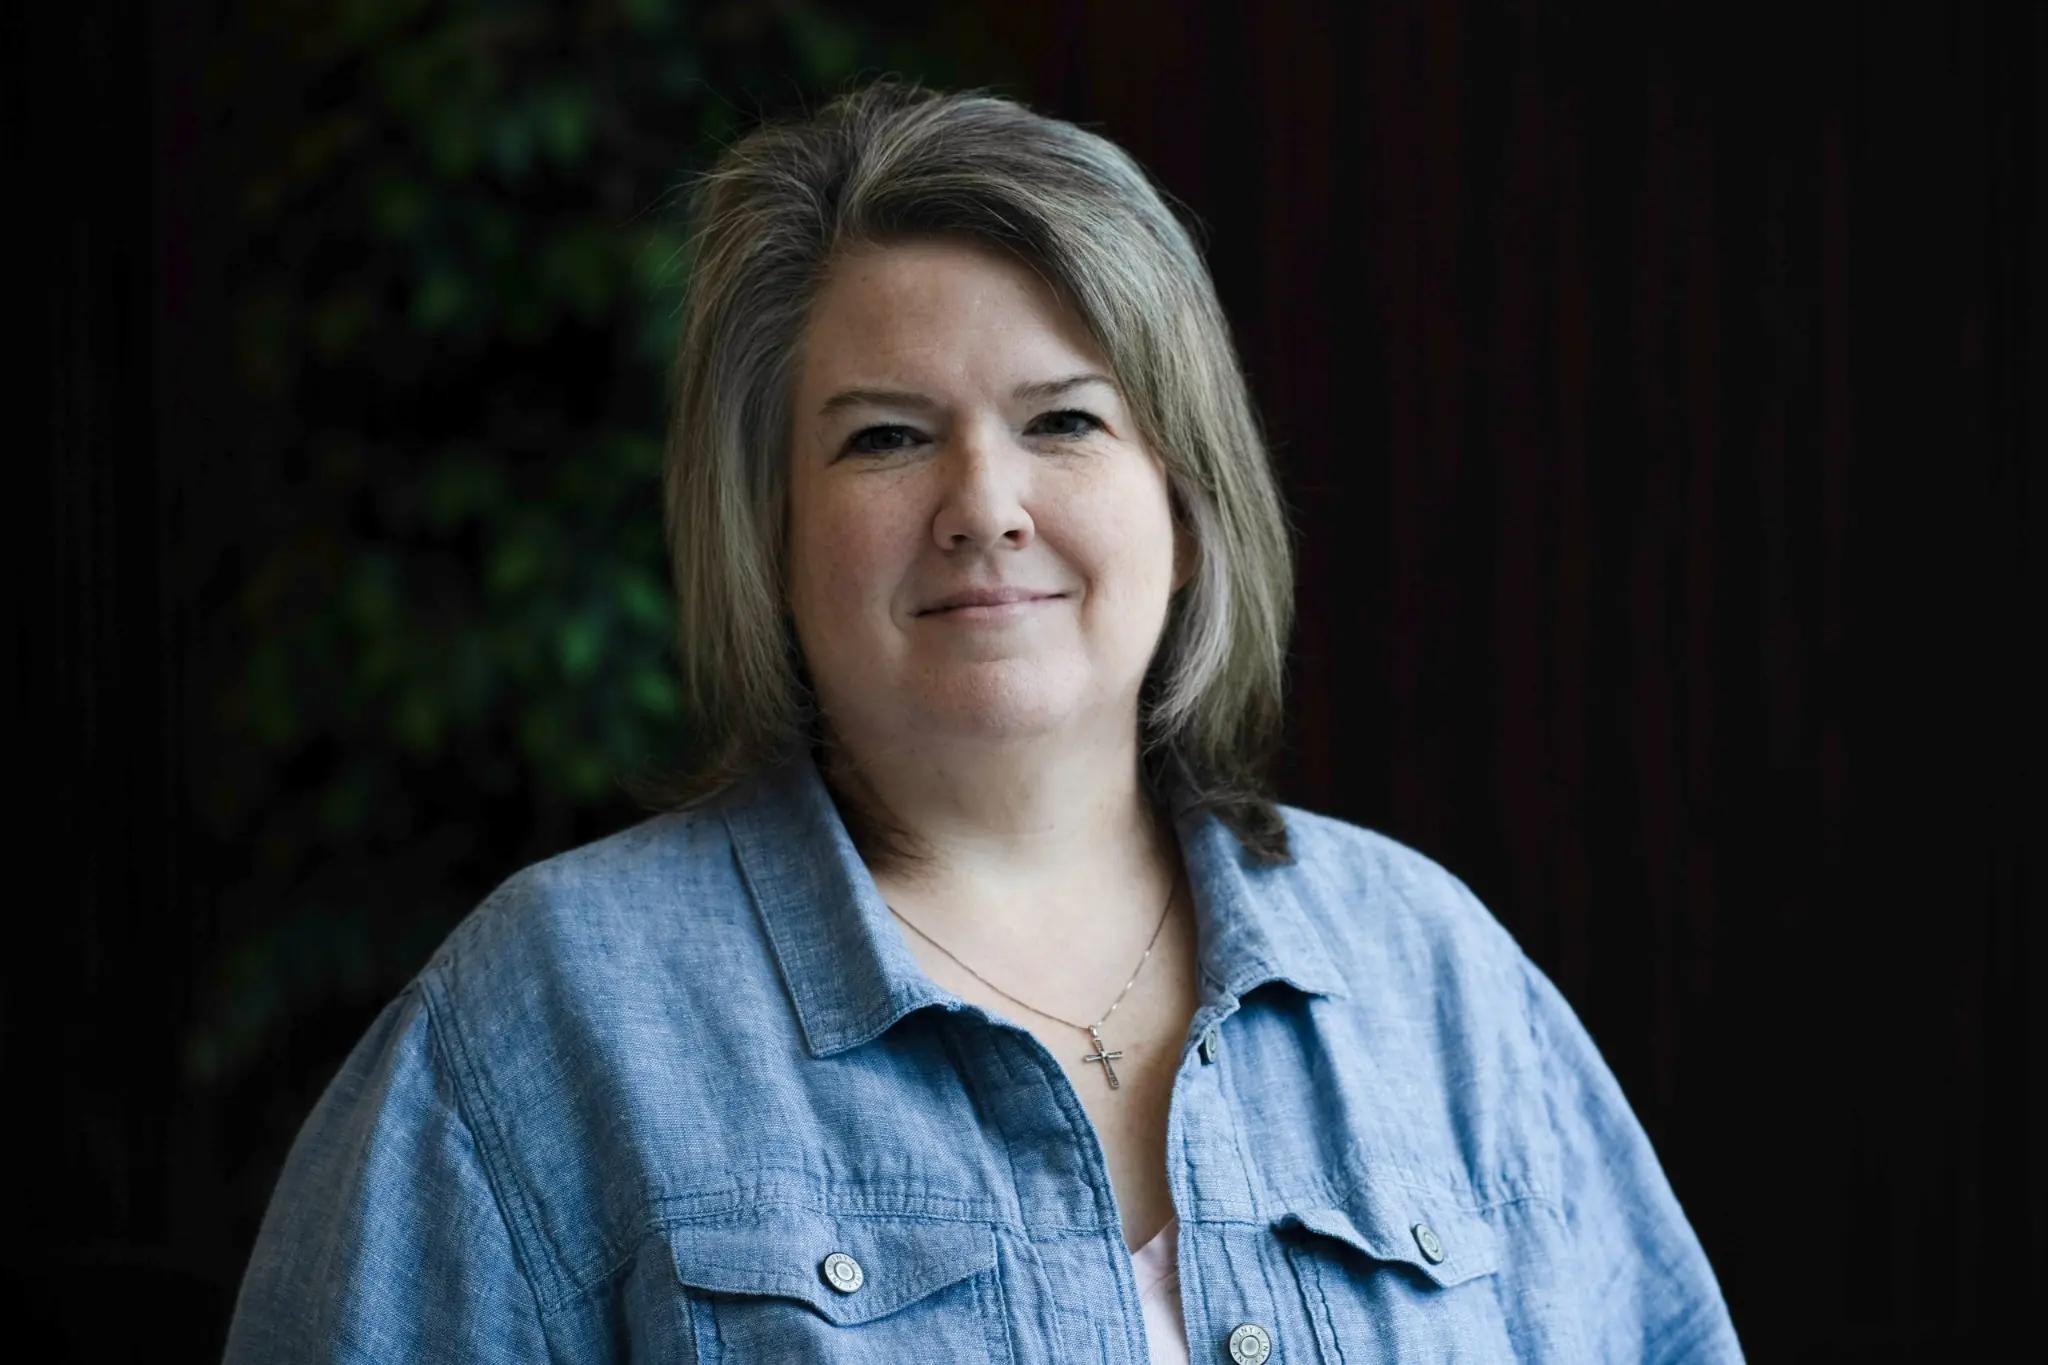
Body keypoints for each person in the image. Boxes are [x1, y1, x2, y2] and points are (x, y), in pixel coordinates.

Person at [223, 83, 1742, 1364]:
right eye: (885, 438)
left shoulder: (1435, 979)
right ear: (771, 531)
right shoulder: (541, 1020)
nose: (983, 508)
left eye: (1064, 421)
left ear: (1190, 505)